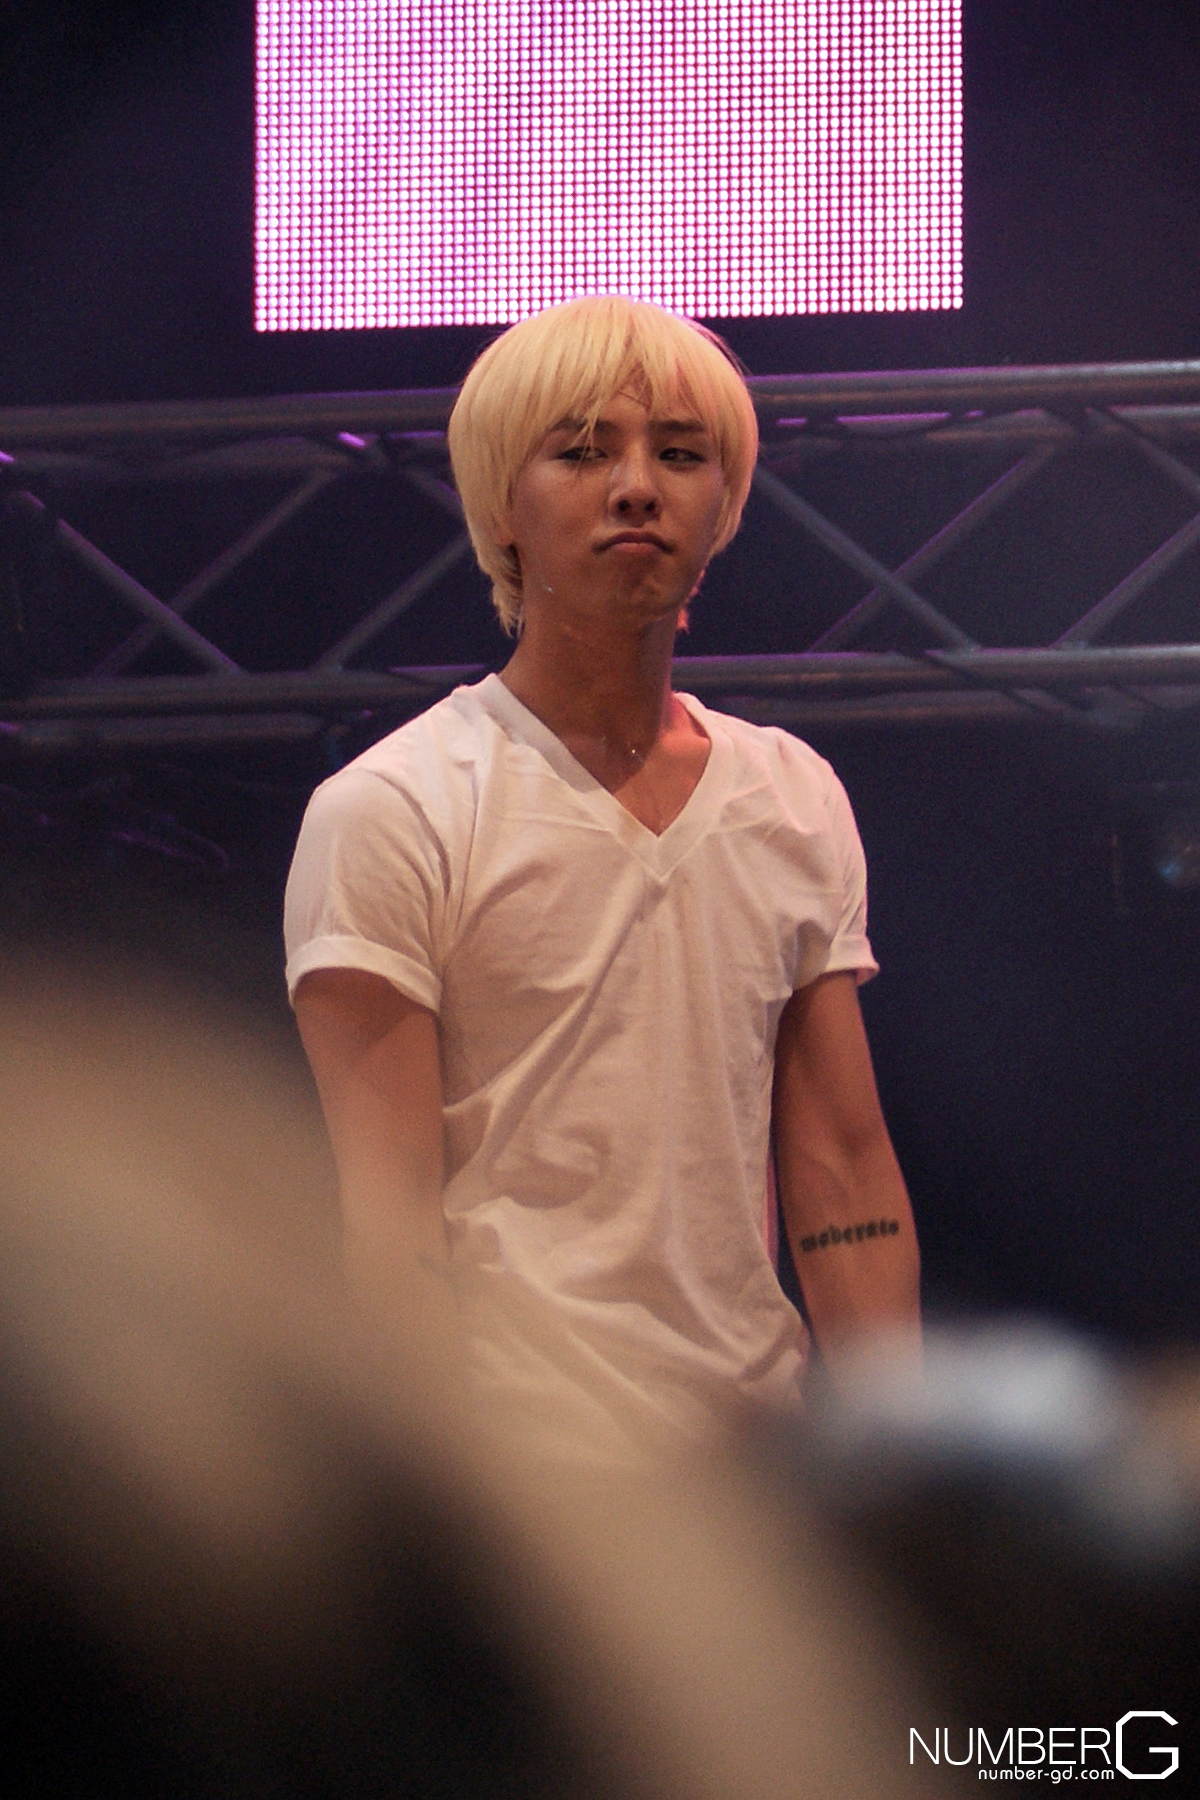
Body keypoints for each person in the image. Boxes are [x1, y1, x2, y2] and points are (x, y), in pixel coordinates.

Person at [285, 295, 921, 1466]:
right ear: (501, 505)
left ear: (723, 502)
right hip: (529, 1476)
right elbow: (391, 1220)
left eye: (679, 453)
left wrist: (910, 1486)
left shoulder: (792, 795)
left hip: (754, 1467)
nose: (635, 486)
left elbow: (843, 1171)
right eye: (581, 451)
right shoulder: (395, 807)